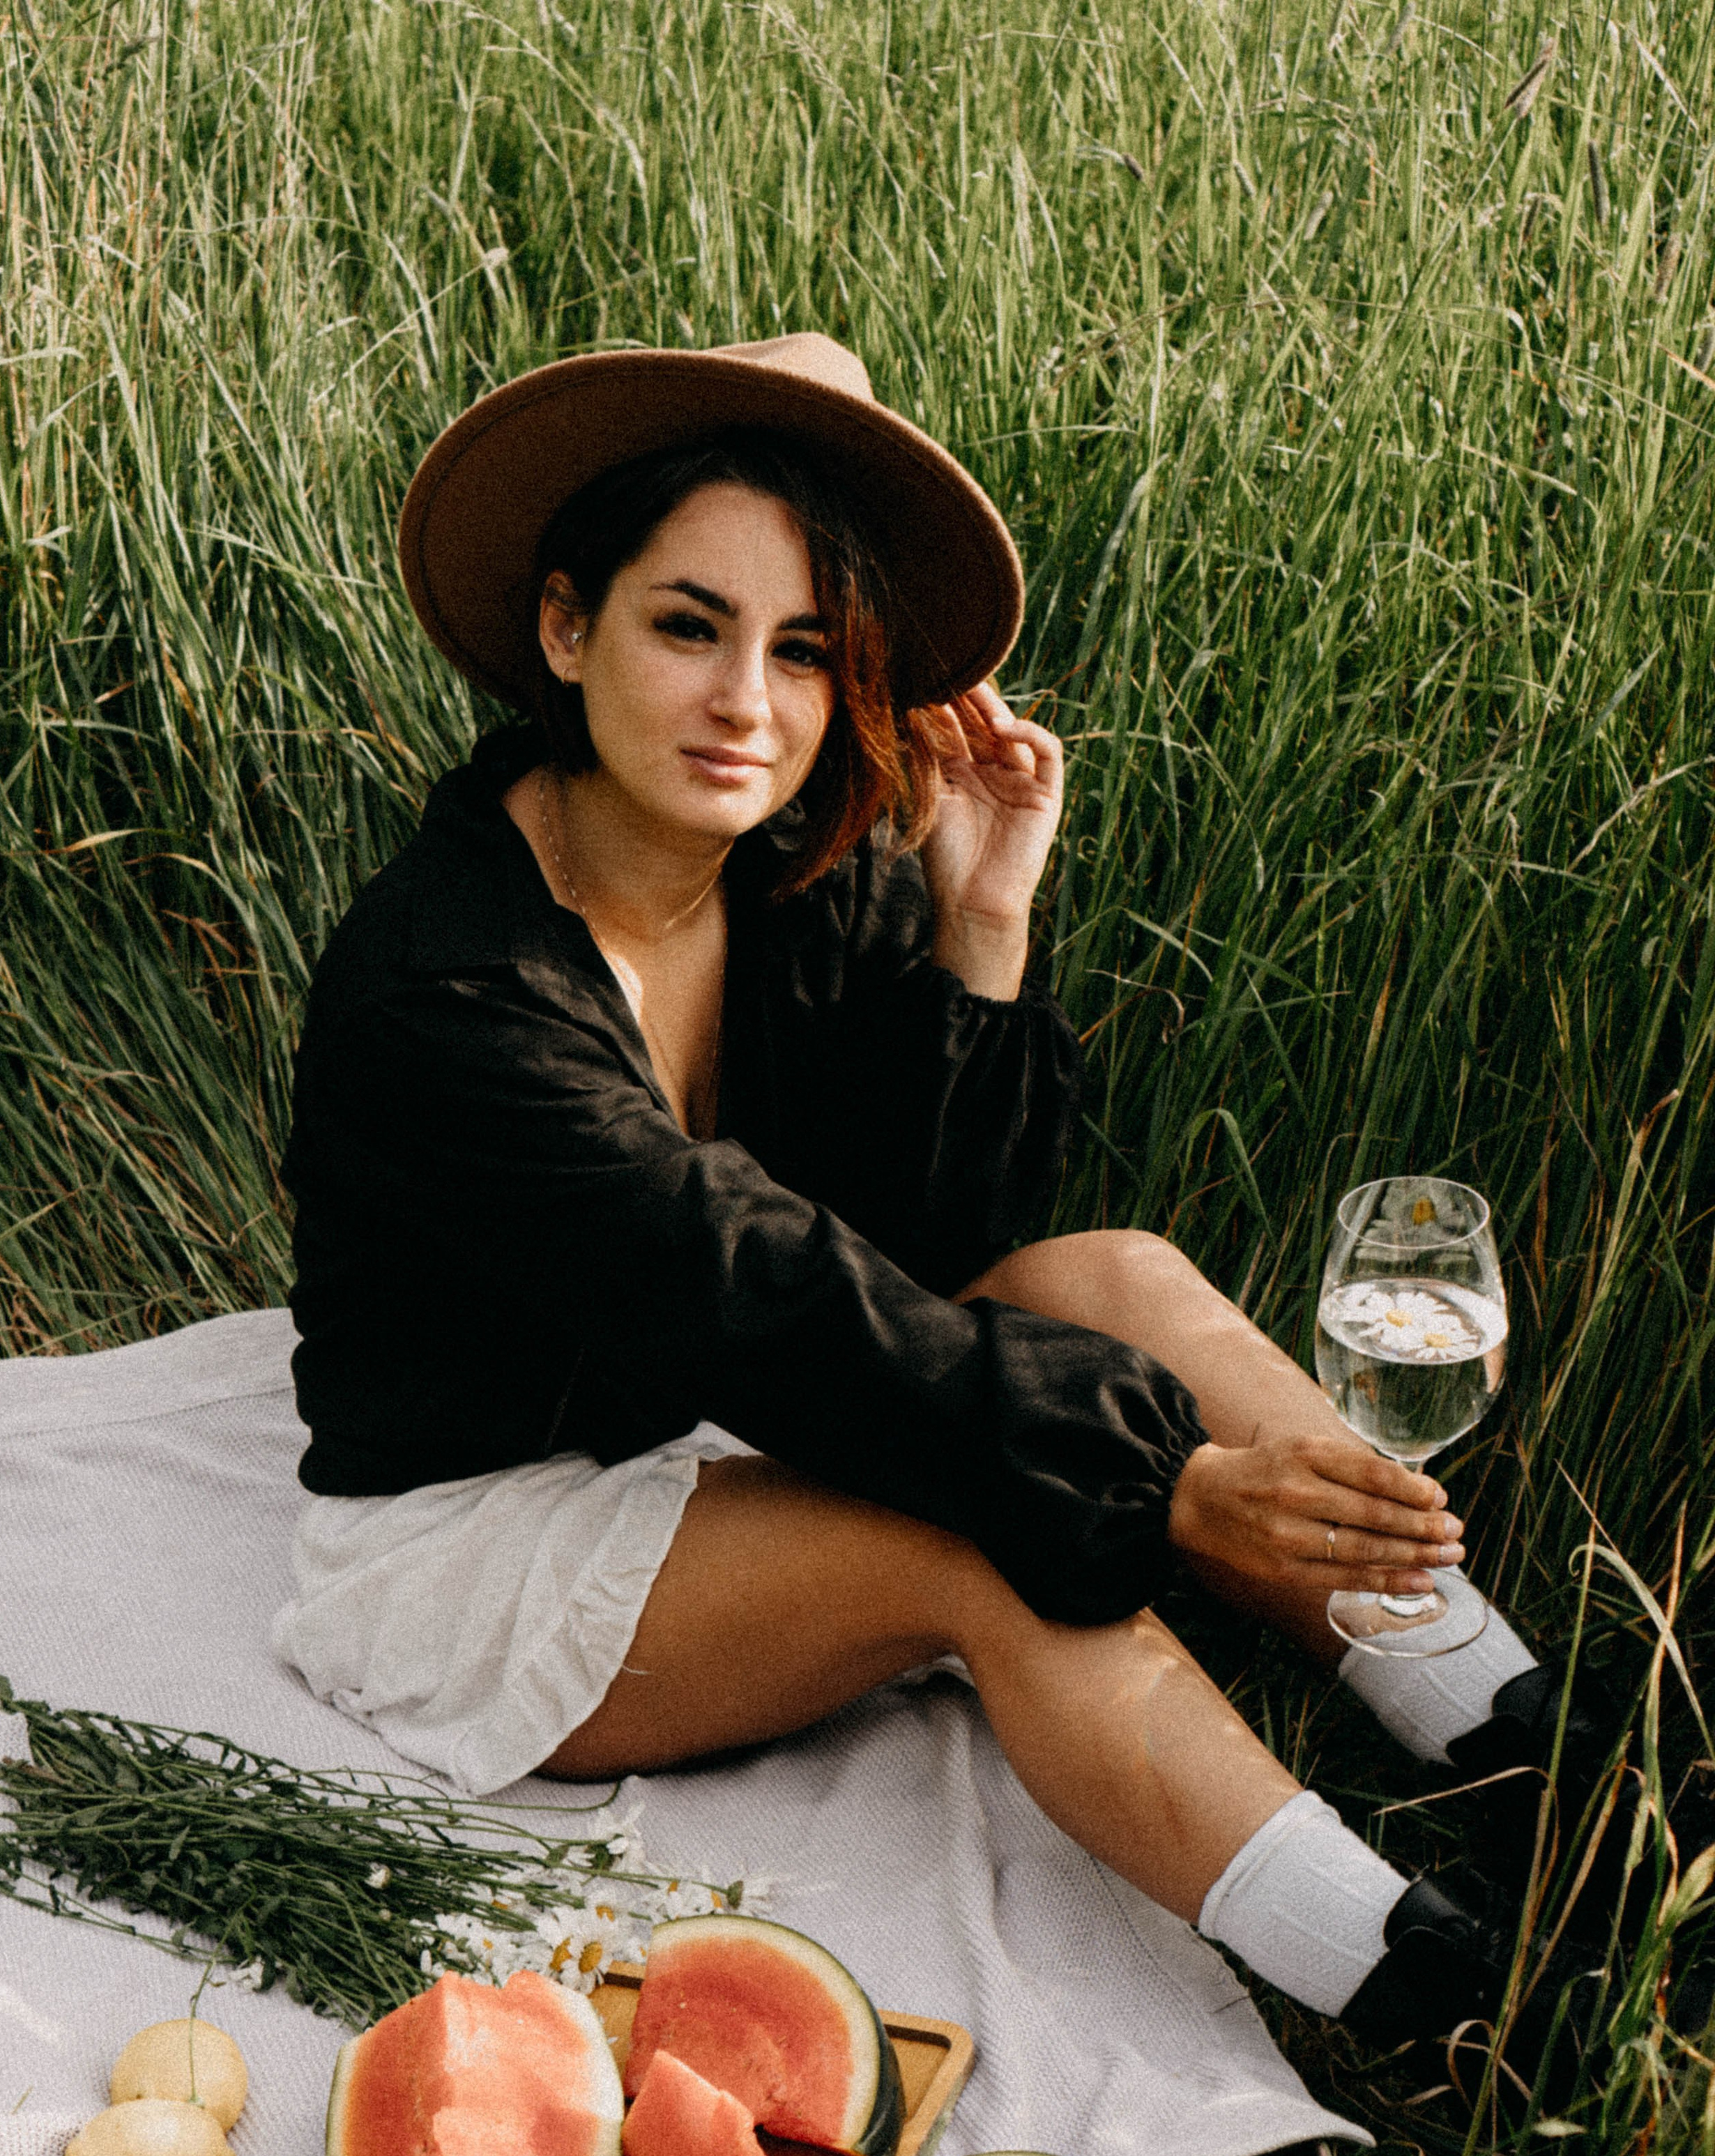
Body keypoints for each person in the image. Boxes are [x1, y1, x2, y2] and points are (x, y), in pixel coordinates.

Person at [274, 334, 1606, 2063]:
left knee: (1116, 1269)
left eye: (804, 649)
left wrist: (982, 929)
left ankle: (1534, 1749)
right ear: (562, 626)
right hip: (484, 1529)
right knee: (977, 1543)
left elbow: (930, 1236)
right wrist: (1168, 1482)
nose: (747, 701)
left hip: (710, 1400)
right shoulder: (444, 991)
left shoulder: (780, 863)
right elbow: (750, 1292)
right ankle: (1444, 2001)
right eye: (688, 625)